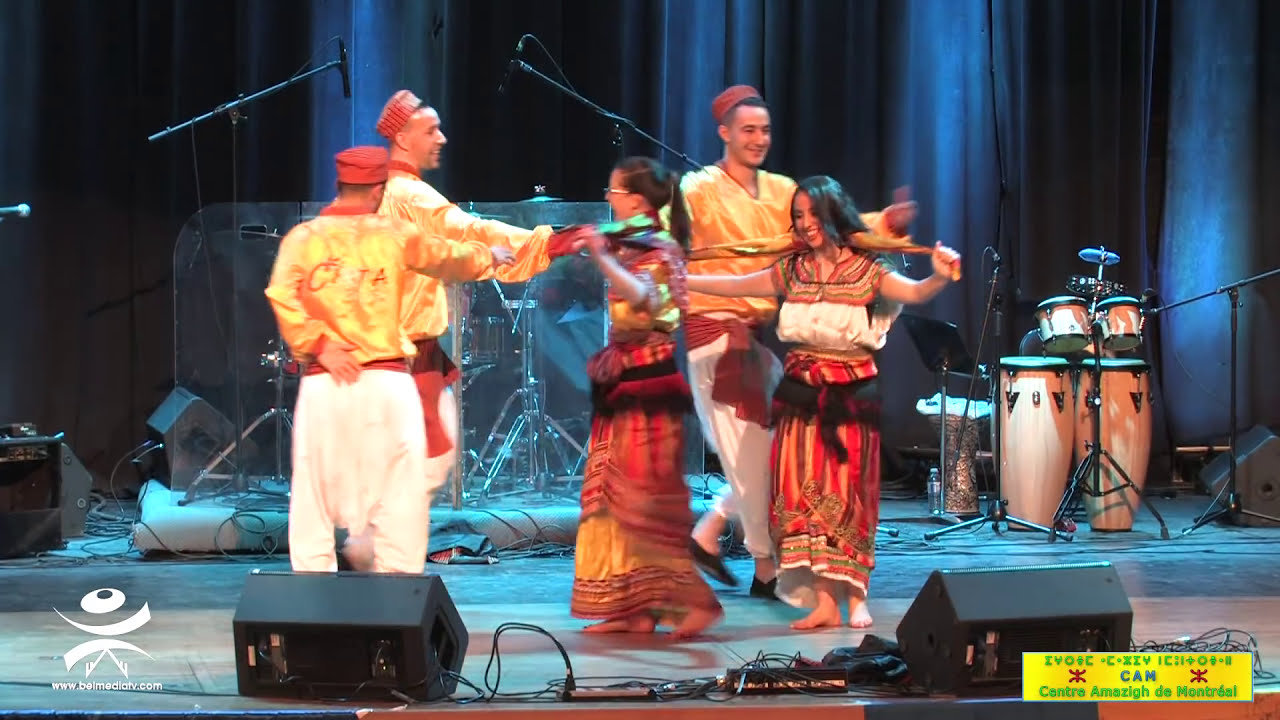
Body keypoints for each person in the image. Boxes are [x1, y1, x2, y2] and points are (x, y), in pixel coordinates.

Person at [684, 176, 961, 630]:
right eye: (798, 216)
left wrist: (939, 274)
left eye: (812, 213)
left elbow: (913, 292)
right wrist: (684, 278)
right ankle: (826, 603)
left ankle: (857, 597)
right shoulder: (794, 270)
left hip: (849, 397)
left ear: (834, 213)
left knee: (849, 497)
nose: (805, 224)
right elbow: (737, 285)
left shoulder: (868, 270)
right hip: (800, 397)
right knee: (805, 500)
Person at [673, 85, 917, 598]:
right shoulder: (697, 190)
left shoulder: (782, 188)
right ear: (724, 134)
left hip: (756, 341)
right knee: (750, 459)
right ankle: (765, 568)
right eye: (749, 130)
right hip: (715, 337)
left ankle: (712, 535)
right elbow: (673, 243)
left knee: (777, 453)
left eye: (765, 130)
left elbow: (831, 226)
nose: (759, 139)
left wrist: (882, 224)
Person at [265, 146, 513, 574]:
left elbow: (281, 295)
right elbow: (447, 256)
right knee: (401, 491)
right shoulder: (395, 234)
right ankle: (397, 595)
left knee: (313, 493)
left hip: (328, 381)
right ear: (379, 190)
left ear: (340, 185)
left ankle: (310, 598)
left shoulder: (304, 239)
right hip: (387, 379)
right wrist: (489, 255)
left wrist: (319, 343)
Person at [554, 157, 721, 638]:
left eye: (613, 192)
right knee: (606, 496)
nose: (609, 200)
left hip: (650, 386)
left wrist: (602, 257)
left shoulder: (660, 248)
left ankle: (697, 601)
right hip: (623, 382)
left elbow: (646, 300)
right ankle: (636, 608)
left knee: (643, 501)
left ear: (636, 199)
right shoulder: (629, 246)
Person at [374, 89, 556, 493]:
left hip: (405, 345)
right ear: (403, 138)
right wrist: (544, 243)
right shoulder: (409, 195)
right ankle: (375, 541)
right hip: (405, 348)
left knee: (426, 458)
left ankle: (377, 539)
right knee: (426, 460)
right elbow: (468, 229)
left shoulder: (393, 192)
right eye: (431, 130)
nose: (442, 139)